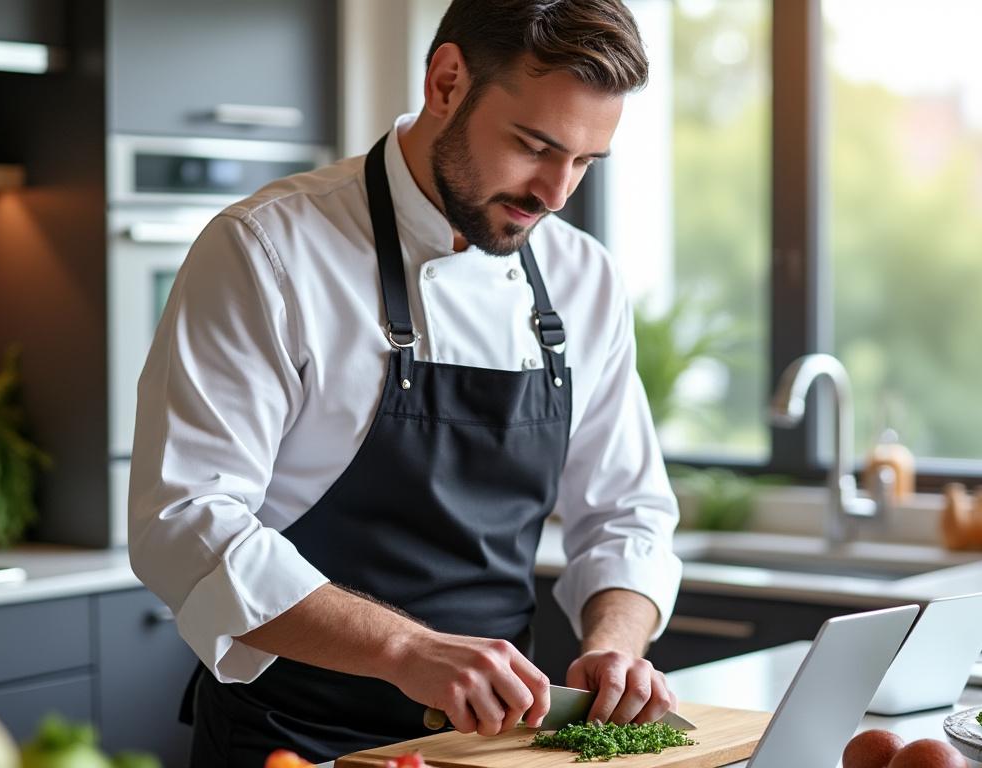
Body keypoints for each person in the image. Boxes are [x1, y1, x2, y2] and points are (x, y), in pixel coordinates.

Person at [127, 1, 683, 764]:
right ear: (448, 81)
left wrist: (616, 646)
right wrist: (405, 650)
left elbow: (626, 513)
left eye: (585, 163)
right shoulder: (268, 251)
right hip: (293, 743)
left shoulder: (580, 276)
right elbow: (186, 523)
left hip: (486, 748)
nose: (556, 193)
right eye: (533, 146)